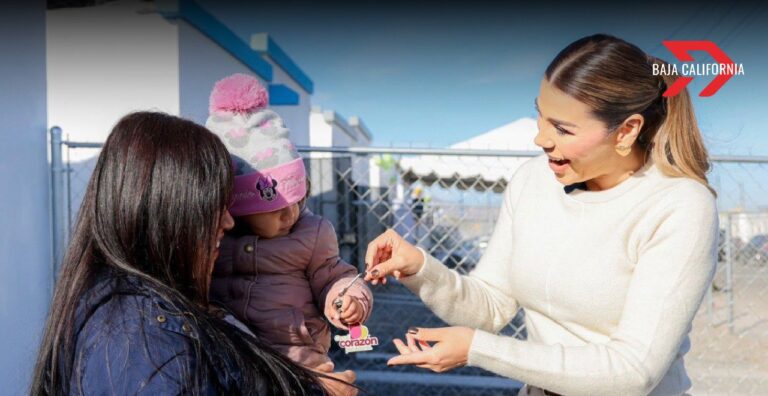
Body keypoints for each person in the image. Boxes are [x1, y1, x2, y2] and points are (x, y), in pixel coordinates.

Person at [364, 34, 718, 396]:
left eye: (563, 129)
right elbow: (489, 306)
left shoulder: (680, 206)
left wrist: (477, 349)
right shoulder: (533, 179)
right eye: (541, 116)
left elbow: (633, 370)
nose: (541, 139)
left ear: (627, 131)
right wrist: (421, 269)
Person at [30, 112, 355, 395]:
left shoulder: (145, 317)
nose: (229, 222)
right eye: (214, 206)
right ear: (167, 213)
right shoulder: (151, 354)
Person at [205, 74, 373, 371]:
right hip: (229, 356)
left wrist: (347, 298)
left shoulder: (312, 233)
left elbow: (334, 275)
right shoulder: (213, 238)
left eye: (297, 200)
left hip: (297, 360)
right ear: (236, 207)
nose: (291, 214)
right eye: (276, 208)